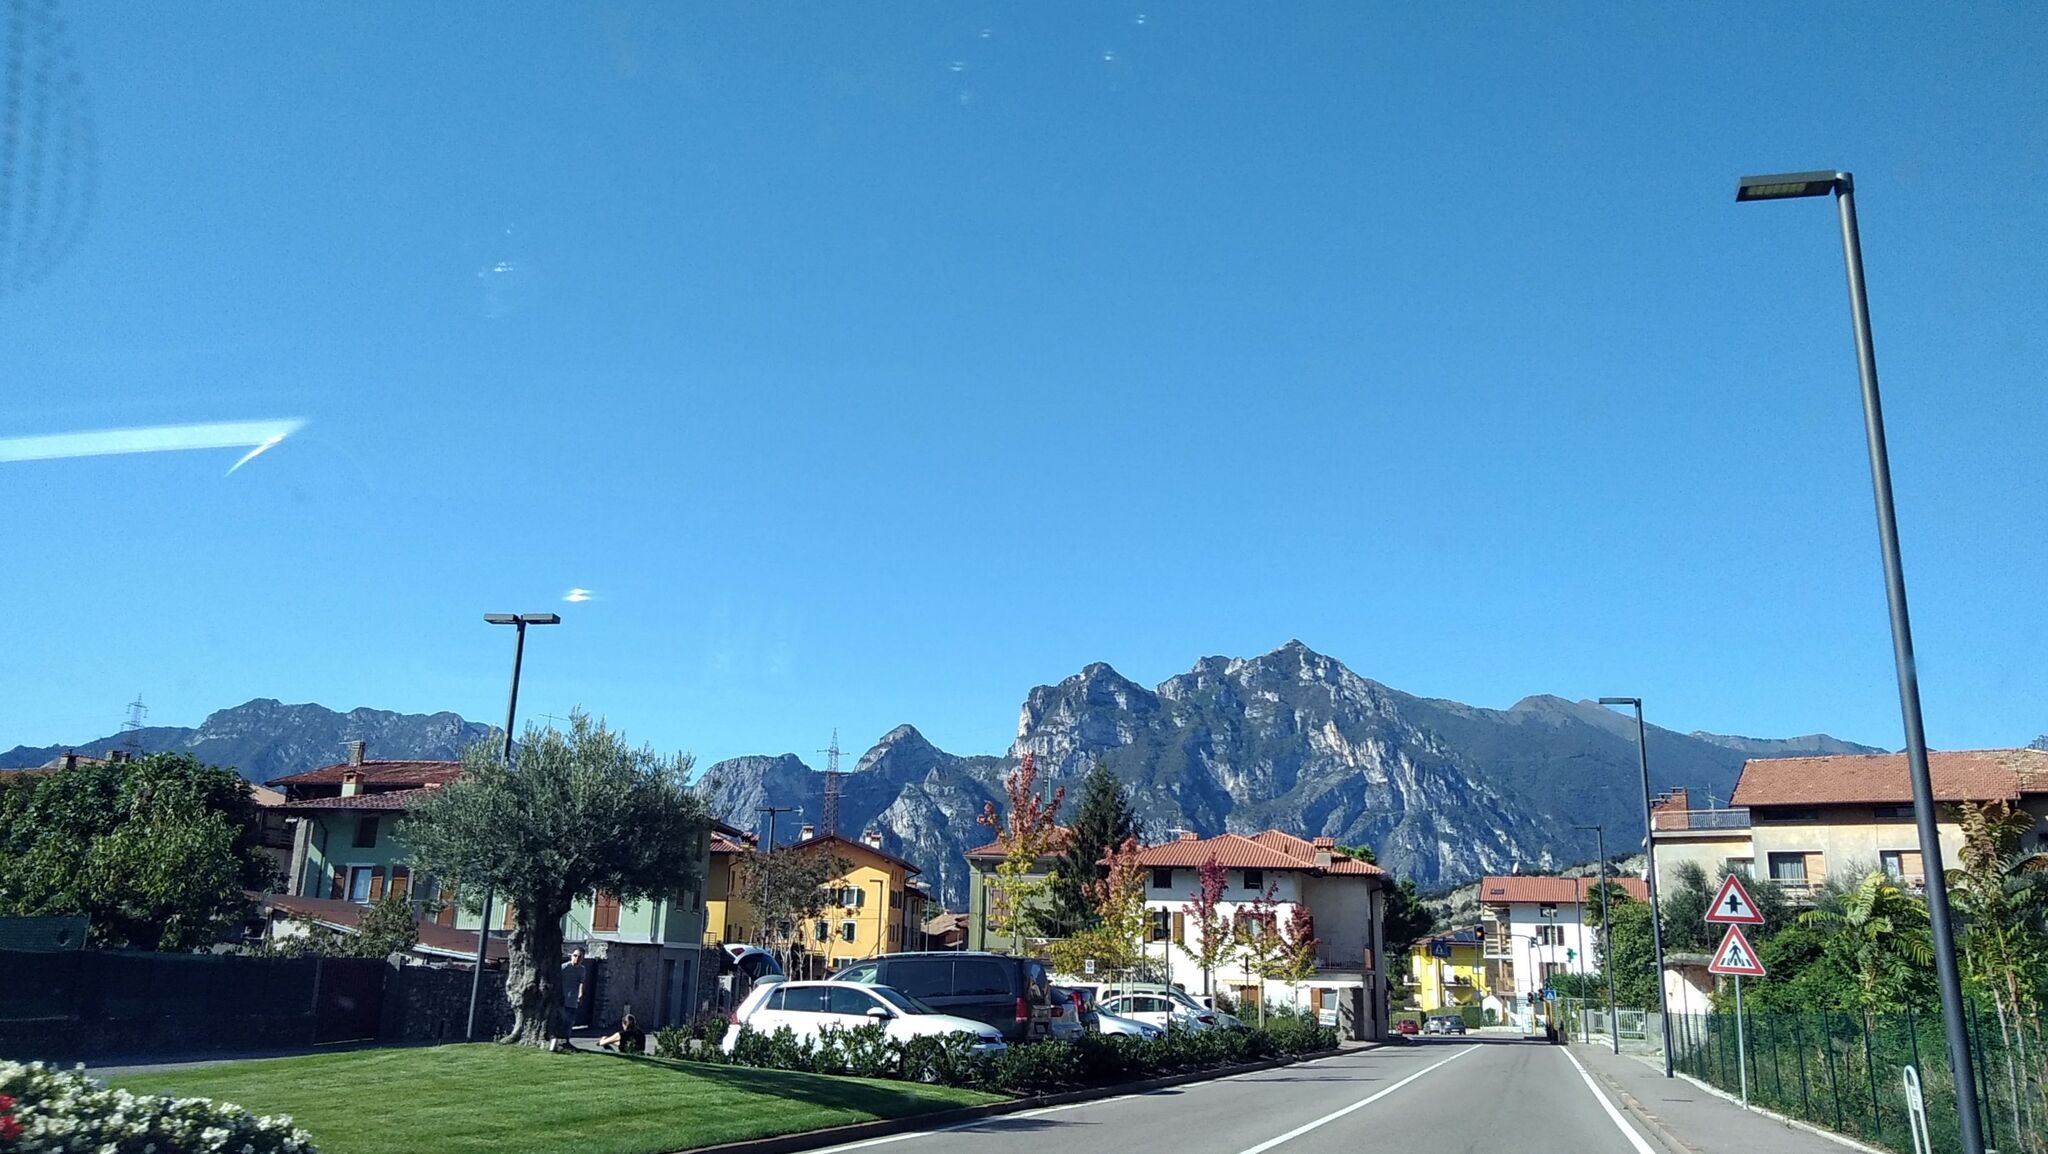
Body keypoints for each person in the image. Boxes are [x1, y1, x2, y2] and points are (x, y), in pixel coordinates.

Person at [560, 947, 586, 1033]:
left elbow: (581, 982)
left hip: (573, 1001)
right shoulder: (564, 967)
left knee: (569, 1022)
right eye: (575, 956)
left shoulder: (582, 970)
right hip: (562, 1000)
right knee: (561, 1022)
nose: (577, 959)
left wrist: (580, 994)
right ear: (571, 956)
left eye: (580, 957)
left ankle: (566, 1040)